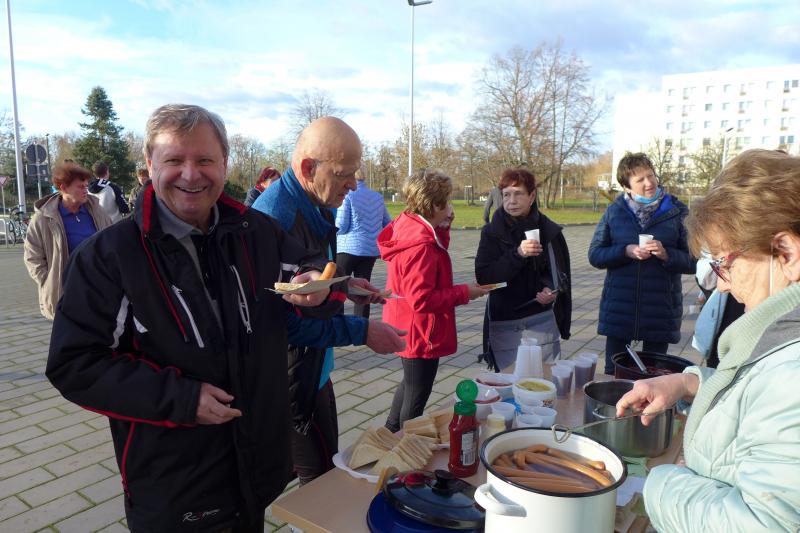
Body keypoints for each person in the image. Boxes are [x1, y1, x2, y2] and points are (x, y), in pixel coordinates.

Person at [45, 104, 371, 532]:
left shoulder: (256, 231)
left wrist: (317, 285)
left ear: (224, 163)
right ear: (150, 163)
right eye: (174, 160)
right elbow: (74, 365)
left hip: (255, 468)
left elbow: (305, 267)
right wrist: (181, 399)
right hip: (177, 484)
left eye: (204, 160)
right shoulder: (108, 257)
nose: (191, 174)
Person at [616, 149, 800, 531]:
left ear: (785, 253)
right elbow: (754, 391)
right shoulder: (780, 337)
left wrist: (661, 482)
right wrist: (689, 383)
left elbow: (762, 524)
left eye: (725, 262)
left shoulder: (792, 375)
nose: (723, 285)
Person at [251, 116, 404, 485]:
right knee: (320, 481)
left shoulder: (315, 200)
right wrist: (362, 331)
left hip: (313, 367)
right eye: (343, 174)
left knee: (317, 470)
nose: (352, 184)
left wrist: (345, 284)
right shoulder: (274, 218)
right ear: (308, 168)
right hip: (289, 377)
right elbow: (277, 322)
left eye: (354, 173)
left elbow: (312, 277)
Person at [379, 169, 488, 432]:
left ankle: (389, 433)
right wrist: (465, 292)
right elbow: (421, 299)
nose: (450, 206)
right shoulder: (421, 247)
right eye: (447, 201)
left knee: (409, 384)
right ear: (436, 205)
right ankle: (406, 443)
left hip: (406, 323)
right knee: (417, 394)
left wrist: (444, 226)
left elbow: (436, 248)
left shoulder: (412, 226)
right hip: (420, 330)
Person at [588, 152, 695, 374]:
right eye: (640, 180)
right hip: (620, 310)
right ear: (626, 187)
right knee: (615, 375)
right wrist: (624, 251)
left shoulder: (677, 212)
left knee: (654, 377)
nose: (649, 183)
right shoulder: (615, 212)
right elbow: (595, 255)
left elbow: (695, 261)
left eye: (651, 175)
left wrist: (666, 255)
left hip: (660, 311)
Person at [475, 167, 572, 370]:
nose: (511, 201)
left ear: (532, 196)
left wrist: (550, 289)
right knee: (509, 382)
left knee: (544, 380)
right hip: (505, 320)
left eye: (518, 193)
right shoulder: (492, 232)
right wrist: (518, 254)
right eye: (506, 195)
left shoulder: (549, 230)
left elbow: (558, 274)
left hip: (541, 318)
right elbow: (486, 279)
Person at [24, 162, 113, 320]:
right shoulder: (44, 218)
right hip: (65, 292)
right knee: (69, 333)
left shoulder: (96, 210)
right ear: (63, 187)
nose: (86, 190)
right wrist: (48, 280)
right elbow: (32, 257)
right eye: (80, 187)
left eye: (86, 186)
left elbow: (111, 242)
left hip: (99, 290)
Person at [335, 164, 391, 318]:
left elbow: (341, 226)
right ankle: (362, 325)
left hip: (348, 248)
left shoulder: (348, 195)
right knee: (364, 291)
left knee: (338, 287)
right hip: (370, 250)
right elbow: (388, 223)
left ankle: (337, 321)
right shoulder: (377, 197)